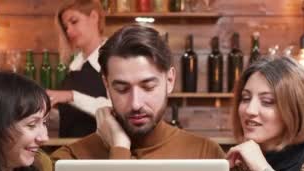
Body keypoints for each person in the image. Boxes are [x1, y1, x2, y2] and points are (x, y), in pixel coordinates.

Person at [51, 24, 226, 161]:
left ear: (170, 81)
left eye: (148, 87)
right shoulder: (71, 158)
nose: (135, 103)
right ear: (106, 84)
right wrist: (119, 148)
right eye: (122, 89)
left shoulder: (206, 154)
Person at [46, 0, 111, 137]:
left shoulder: (112, 60)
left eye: (74, 22)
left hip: (99, 153)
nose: (68, 31)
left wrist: (70, 96)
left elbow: (115, 110)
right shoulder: (75, 66)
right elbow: (73, 117)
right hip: (70, 152)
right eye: (66, 27)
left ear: (94, 17)